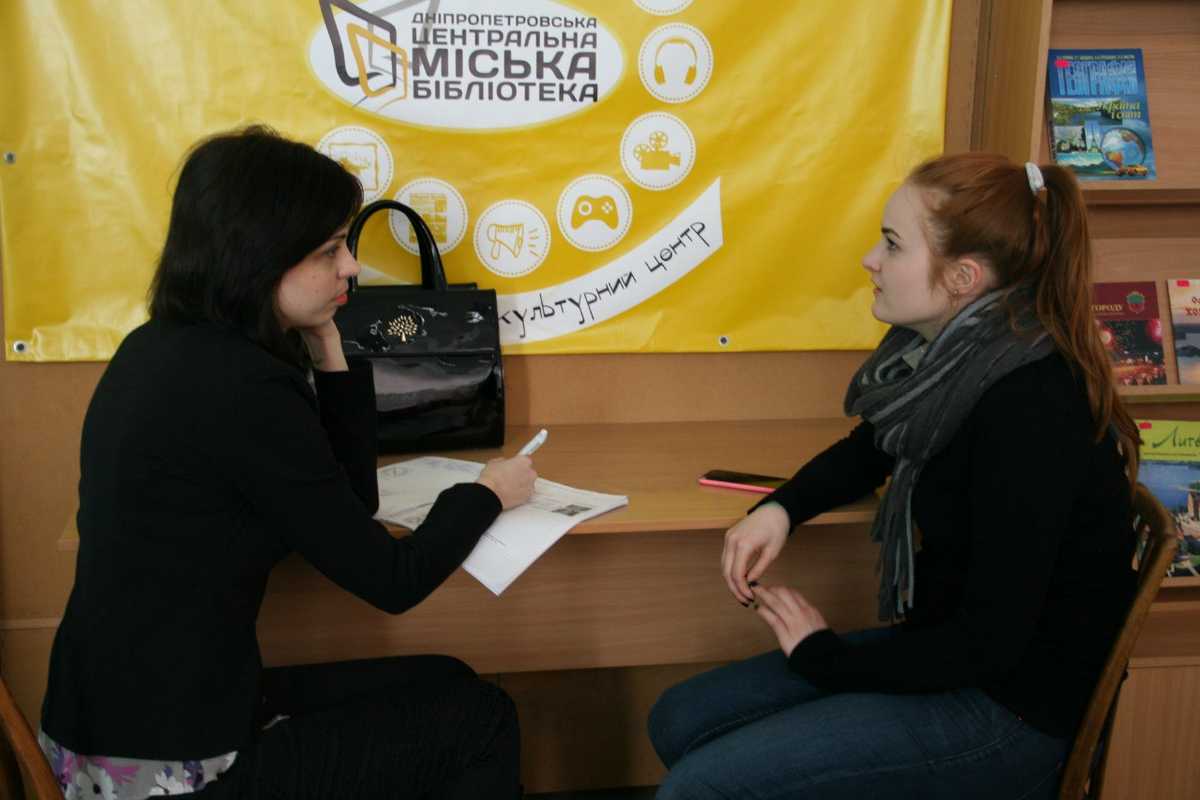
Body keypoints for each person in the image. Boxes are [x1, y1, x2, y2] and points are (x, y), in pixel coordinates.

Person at [39, 126, 536, 799]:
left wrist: (328, 345)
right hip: (171, 768)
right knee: (483, 718)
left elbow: (351, 504)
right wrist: (487, 493)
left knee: (446, 678)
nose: (352, 267)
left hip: (107, 731)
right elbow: (393, 581)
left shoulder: (157, 347)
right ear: (258, 256)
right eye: (331, 250)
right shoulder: (244, 387)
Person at [648, 153, 1141, 799]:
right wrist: (780, 509)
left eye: (892, 244)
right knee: (678, 719)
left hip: (1010, 710)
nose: (869, 260)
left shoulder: (1032, 408)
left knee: (697, 788)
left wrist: (825, 658)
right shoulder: (963, 359)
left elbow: (986, 643)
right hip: (951, 650)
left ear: (962, 277)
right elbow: (872, 447)